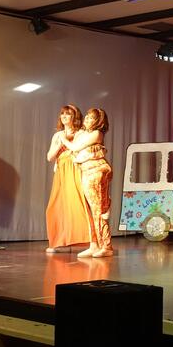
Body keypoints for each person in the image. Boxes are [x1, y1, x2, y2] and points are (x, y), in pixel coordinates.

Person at [61, 108, 113, 258]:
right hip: (86, 171)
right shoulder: (85, 133)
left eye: (92, 118)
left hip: (95, 171)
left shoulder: (97, 133)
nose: (87, 120)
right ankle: (94, 245)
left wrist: (63, 139)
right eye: (88, 117)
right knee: (90, 209)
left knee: (98, 209)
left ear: (98, 122)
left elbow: (74, 147)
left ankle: (106, 245)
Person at [44, 105, 92, 253]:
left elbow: (79, 150)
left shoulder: (81, 133)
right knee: (57, 205)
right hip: (61, 170)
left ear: (74, 117)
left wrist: (67, 141)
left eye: (68, 114)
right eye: (62, 114)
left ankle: (89, 241)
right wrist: (60, 144)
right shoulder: (58, 135)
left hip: (75, 169)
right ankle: (57, 242)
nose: (64, 116)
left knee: (77, 203)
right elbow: (49, 157)